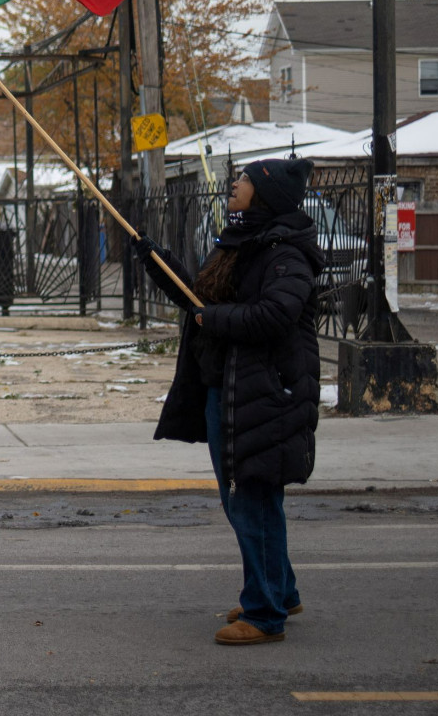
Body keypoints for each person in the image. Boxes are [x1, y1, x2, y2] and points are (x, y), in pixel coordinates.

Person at [139, 158, 325, 646]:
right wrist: (157, 261)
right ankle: (280, 591)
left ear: (265, 194)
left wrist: (212, 320)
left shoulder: (285, 252)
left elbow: (274, 315)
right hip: (230, 389)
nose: (234, 185)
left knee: (251, 501)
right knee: (256, 499)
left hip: (263, 394)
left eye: (244, 180)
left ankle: (264, 614)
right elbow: (200, 301)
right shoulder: (241, 242)